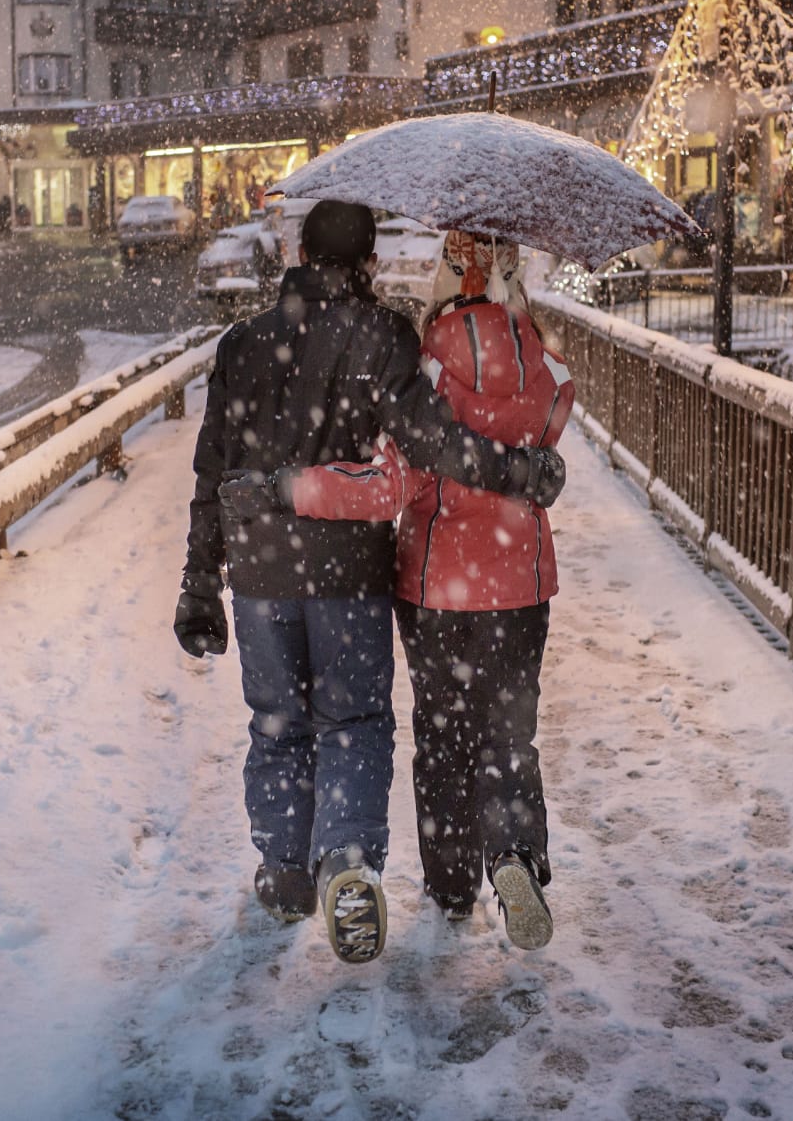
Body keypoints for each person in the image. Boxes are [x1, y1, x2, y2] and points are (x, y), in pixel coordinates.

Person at [176, 200, 565, 966]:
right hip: (350, 571)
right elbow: (428, 443)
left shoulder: (242, 343)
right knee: (355, 721)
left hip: (260, 572)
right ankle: (349, 860)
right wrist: (513, 470)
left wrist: (198, 578)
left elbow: (213, 468)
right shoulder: (384, 335)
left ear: (296, 251)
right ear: (369, 262)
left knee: (278, 723)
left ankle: (287, 872)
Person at [275, 232, 572, 950]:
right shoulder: (538, 352)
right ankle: (513, 854)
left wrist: (299, 487)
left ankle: (449, 883)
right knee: (510, 733)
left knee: (443, 736)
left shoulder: (427, 359)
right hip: (522, 578)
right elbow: (551, 431)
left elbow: (395, 480)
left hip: (438, 583)